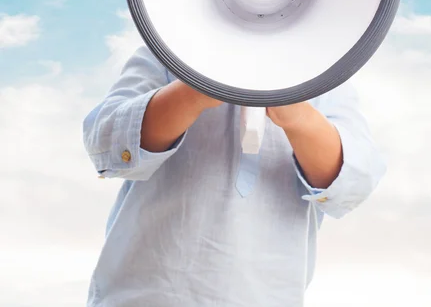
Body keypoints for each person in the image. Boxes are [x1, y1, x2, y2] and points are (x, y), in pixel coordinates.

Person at [83, 44, 386, 307]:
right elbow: (106, 143)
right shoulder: (166, 46)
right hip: (141, 295)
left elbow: (353, 183)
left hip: (264, 295)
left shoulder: (326, 71)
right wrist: (197, 88)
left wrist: (297, 112)